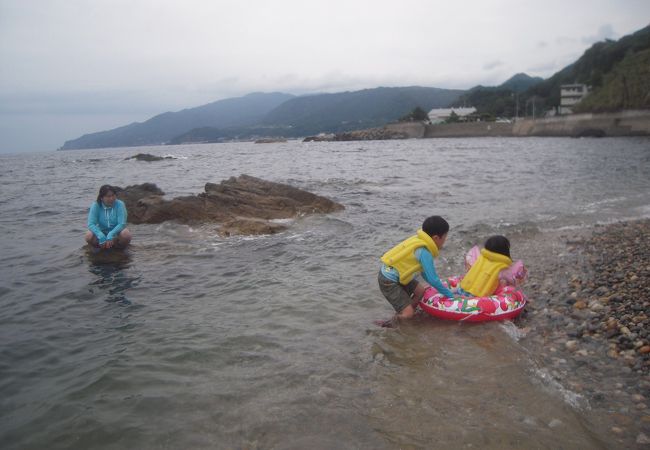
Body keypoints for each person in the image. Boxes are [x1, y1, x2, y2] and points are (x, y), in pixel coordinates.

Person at [378, 216, 455, 320]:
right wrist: (451, 296)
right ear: (436, 238)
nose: (445, 241)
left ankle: (407, 310)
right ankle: (392, 322)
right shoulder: (424, 251)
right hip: (388, 280)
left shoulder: (418, 240)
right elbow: (433, 279)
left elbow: (425, 274)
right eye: (445, 238)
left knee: (420, 291)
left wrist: (437, 285)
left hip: (397, 274)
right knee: (408, 314)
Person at [458, 235, 527, 297]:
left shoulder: (480, 258)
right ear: (505, 251)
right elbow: (513, 280)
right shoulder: (502, 268)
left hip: (462, 289)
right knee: (508, 287)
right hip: (477, 297)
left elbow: (469, 264)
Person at [85, 185, 132, 249]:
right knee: (88, 235)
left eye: (113, 195)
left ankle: (120, 248)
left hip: (116, 233)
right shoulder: (96, 205)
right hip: (102, 232)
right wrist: (100, 235)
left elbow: (122, 224)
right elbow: (91, 224)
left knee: (126, 234)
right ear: (101, 198)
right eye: (108, 196)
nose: (111, 198)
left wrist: (111, 234)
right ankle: (98, 248)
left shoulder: (120, 204)